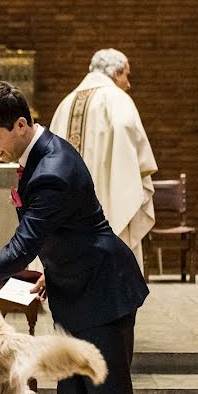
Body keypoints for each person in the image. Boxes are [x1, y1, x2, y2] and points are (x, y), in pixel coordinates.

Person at [0, 81, 149, 394]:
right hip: (74, 288)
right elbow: (63, 231)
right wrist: (50, 272)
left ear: (21, 125)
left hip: (101, 295)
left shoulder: (52, 170)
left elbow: (20, 251)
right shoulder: (40, 155)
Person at [49, 48, 158, 272]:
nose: (128, 84)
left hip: (67, 215)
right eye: (127, 75)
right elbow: (137, 156)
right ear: (116, 73)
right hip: (108, 207)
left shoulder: (65, 104)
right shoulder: (119, 100)